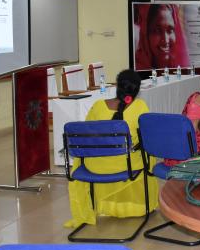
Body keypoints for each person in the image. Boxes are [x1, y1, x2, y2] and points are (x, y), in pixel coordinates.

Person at [65, 69, 158, 228]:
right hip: (125, 166)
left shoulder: (98, 106)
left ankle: (103, 205)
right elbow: (148, 138)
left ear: (117, 86)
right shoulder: (140, 107)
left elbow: (85, 137)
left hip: (95, 166)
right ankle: (141, 205)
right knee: (148, 155)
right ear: (136, 90)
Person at [133, 4, 190, 70]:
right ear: (146, 34)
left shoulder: (179, 66)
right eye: (157, 31)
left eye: (170, 30)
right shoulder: (138, 70)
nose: (165, 40)